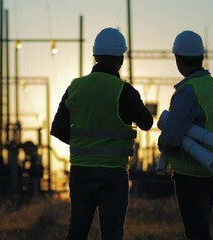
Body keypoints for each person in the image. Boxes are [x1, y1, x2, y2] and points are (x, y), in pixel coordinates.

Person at [51, 27, 153, 240]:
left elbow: (58, 128)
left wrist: (84, 146)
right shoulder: (124, 91)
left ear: (95, 57)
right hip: (112, 174)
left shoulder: (75, 87)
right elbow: (146, 122)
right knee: (112, 234)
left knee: (76, 232)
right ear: (121, 60)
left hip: (80, 172)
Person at [157, 30, 213, 240]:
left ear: (178, 59)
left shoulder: (187, 92)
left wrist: (161, 141)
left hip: (190, 174)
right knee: (201, 226)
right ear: (201, 56)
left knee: (196, 232)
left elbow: (171, 138)